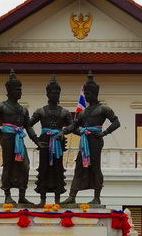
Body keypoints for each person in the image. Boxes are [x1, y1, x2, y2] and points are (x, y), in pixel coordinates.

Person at [62, 72, 121, 206]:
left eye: (88, 93)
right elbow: (74, 125)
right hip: (84, 141)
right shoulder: (84, 112)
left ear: (94, 94)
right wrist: (63, 132)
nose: (86, 96)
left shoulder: (103, 109)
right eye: (85, 93)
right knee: (79, 165)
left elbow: (116, 123)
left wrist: (104, 133)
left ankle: (97, 197)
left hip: (95, 140)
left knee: (95, 166)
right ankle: (72, 195)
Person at [0, 70, 32, 205]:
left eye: (20, 89)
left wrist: (37, 140)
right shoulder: (1, 107)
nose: (20, 92)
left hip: (19, 139)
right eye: (17, 89)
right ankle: (7, 195)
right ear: (10, 91)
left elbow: (28, 127)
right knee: (8, 165)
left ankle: (22, 195)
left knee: (25, 165)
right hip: (7, 138)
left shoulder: (23, 110)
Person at [29, 75, 74, 205]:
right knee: (43, 168)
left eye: (57, 93)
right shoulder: (41, 111)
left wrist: (64, 131)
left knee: (57, 168)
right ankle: (42, 198)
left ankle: (57, 198)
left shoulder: (64, 112)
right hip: (44, 142)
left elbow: (73, 126)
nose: (55, 95)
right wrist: (36, 140)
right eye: (53, 93)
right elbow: (28, 125)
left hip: (58, 142)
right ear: (47, 94)